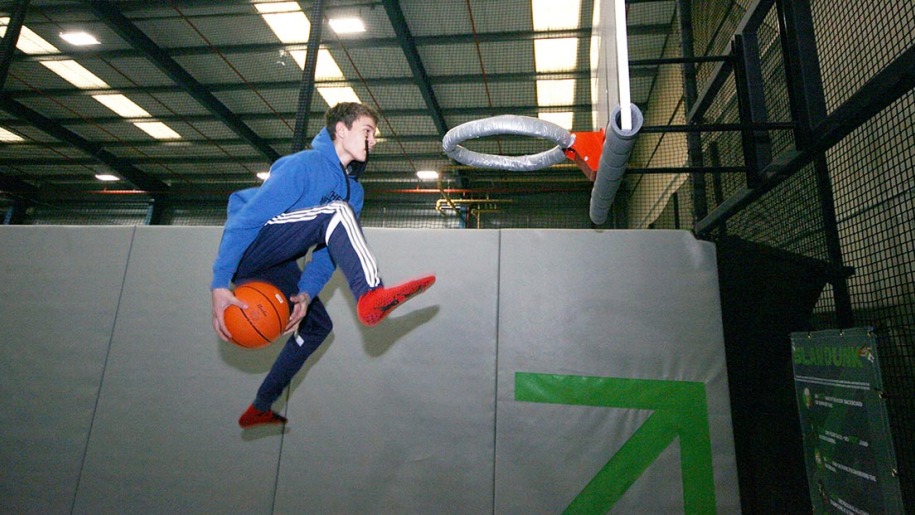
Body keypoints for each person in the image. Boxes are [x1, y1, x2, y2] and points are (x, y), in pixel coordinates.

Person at [210, 102, 435, 429]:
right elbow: (246, 221)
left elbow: (331, 252)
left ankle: (260, 405)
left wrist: (305, 292)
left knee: (318, 326)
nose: (373, 141)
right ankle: (370, 295)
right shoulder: (304, 165)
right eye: (367, 132)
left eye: (375, 136)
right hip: (254, 247)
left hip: (280, 263)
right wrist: (219, 283)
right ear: (341, 131)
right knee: (336, 212)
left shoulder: (354, 192)